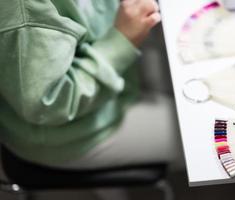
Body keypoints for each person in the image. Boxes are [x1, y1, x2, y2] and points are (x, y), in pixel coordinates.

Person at [0, 0, 183, 170]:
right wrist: (121, 41)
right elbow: (48, 103)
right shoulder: (23, 10)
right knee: (203, 135)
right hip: (71, 135)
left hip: (121, 68)